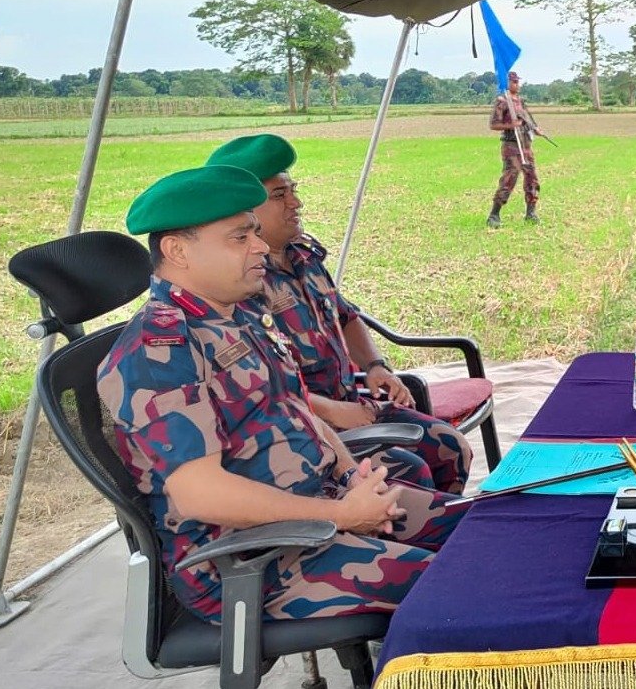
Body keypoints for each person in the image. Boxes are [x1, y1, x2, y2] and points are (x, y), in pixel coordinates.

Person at [98, 165, 465, 623]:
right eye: (238, 238)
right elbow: (200, 496)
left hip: (319, 507)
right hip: (252, 561)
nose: (259, 247)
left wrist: (352, 478)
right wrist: (345, 514)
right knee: (462, 590)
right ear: (177, 251)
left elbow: (295, 407)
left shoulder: (239, 313)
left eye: (255, 232)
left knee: (480, 531)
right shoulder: (158, 350)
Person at [207, 133, 475, 494]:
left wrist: (377, 366)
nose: (296, 203)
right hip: (305, 423)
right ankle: (412, 542)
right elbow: (262, 388)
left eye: (293, 190)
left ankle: (442, 538)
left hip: (353, 401)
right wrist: (332, 411)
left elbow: (346, 317)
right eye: (279, 195)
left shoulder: (303, 256)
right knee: (408, 476)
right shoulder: (237, 283)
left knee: (451, 447)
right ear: (245, 210)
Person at [487, 71, 542, 227]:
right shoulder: (502, 101)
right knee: (509, 178)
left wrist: (535, 128)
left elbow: (528, 119)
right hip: (511, 145)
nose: (517, 85)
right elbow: (493, 125)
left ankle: (531, 213)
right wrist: (511, 125)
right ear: (507, 83)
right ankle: (494, 215)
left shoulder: (521, 101)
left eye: (518, 82)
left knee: (532, 178)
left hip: (525, 144)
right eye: (514, 82)